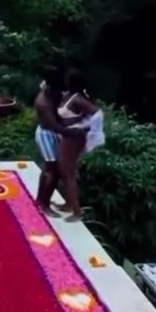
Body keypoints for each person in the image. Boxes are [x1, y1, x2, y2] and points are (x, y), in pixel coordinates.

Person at [34, 68, 89, 217]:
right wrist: (77, 131)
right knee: (51, 170)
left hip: (56, 133)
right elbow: (55, 126)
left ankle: (46, 200)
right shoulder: (43, 102)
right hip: (47, 134)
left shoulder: (54, 91)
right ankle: (42, 203)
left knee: (58, 170)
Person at [56, 69, 104, 222]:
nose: (65, 80)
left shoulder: (78, 99)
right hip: (68, 136)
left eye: (68, 78)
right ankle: (68, 204)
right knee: (65, 171)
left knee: (68, 172)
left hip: (73, 139)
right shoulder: (69, 96)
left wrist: (87, 128)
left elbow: (98, 114)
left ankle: (77, 212)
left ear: (73, 82)